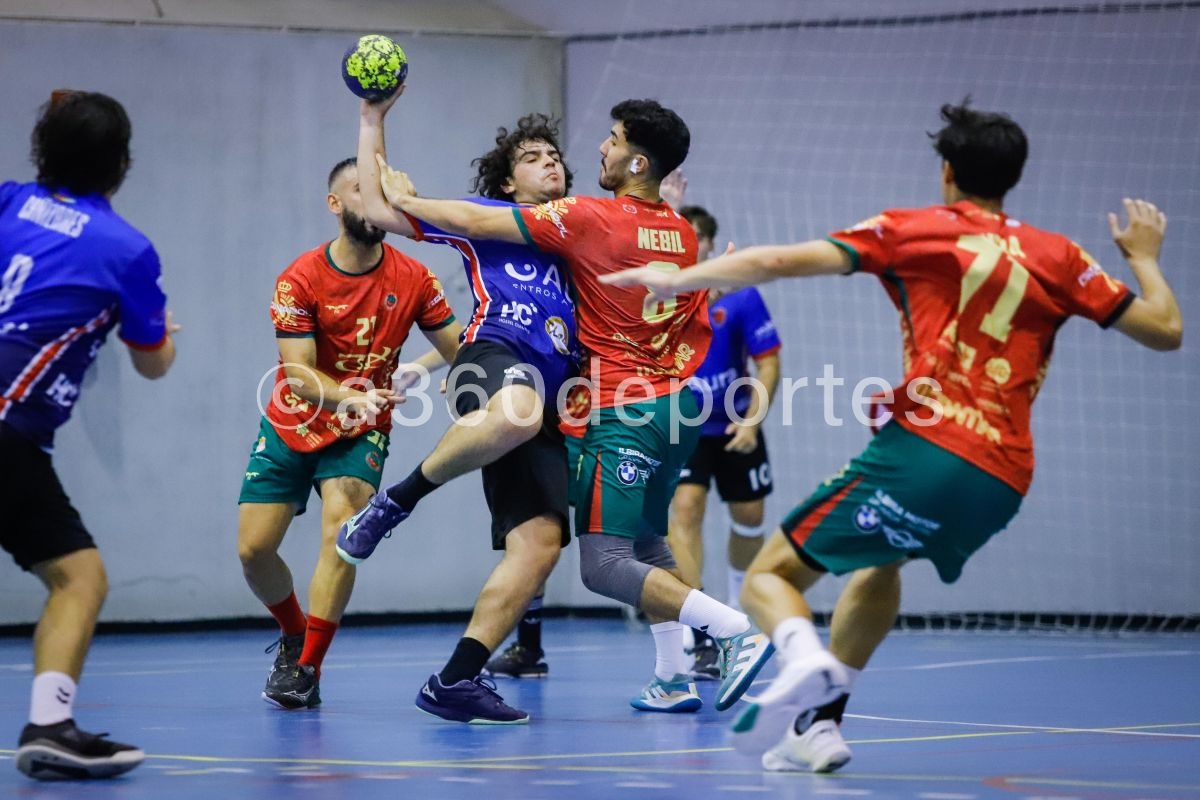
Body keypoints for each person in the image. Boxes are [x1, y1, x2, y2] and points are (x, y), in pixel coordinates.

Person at [600, 100, 1182, 772]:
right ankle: (821, 728)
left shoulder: (916, 230)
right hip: (1006, 475)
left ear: (946, 173)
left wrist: (683, 278)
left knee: (770, 578)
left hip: (929, 448)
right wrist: (1143, 258)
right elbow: (1166, 330)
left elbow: (784, 260)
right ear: (1011, 178)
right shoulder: (1061, 255)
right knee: (884, 562)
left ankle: (803, 660)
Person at [357, 98, 775, 715]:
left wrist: (411, 199)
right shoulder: (680, 232)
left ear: (637, 160)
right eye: (536, 156)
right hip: (672, 409)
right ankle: (672, 675)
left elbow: (598, 233)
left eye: (609, 140)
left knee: (603, 565)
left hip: (621, 406)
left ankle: (733, 630)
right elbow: (452, 218)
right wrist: (374, 125)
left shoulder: (583, 220)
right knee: (648, 544)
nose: (593, 149)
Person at [337, 90, 580, 724]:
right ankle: (396, 502)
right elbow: (380, 206)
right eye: (532, 157)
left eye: (555, 156)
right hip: (490, 357)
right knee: (518, 410)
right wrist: (372, 120)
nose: (549, 163)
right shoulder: (484, 219)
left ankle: (455, 681)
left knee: (540, 547)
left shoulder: (579, 238)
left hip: (551, 396)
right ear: (507, 180)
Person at [237, 156, 461, 710]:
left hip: (362, 432)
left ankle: (307, 668)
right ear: (335, 204)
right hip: (295, 421)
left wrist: (441, 368)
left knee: (341, 530)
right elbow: (298, 375)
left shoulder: (414, 278)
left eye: (380, 192)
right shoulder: (300, 279)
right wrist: (351, 394)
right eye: (360, 191)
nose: (374, 202)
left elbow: (463, 346)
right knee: (253, 550)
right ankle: (293, 633)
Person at [1, 90, 179, 780]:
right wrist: (158, 336)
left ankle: (52, 725)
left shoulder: (10, 202)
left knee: (73, 573)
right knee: (78, 578)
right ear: (121, 163)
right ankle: (50, 724)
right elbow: (153, 361)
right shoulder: (126, 249)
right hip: (8, 427)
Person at [668, 204, 782, 681]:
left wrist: (753, 421)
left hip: (735, 423)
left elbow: (768, 362)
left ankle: (738, 604)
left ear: (712, 244)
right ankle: (702, 627)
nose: (694, 247)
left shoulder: (741, 296)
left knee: (749, 517)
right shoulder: (664, 296)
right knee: (686, 509)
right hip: (684, 426)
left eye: (700, 238)